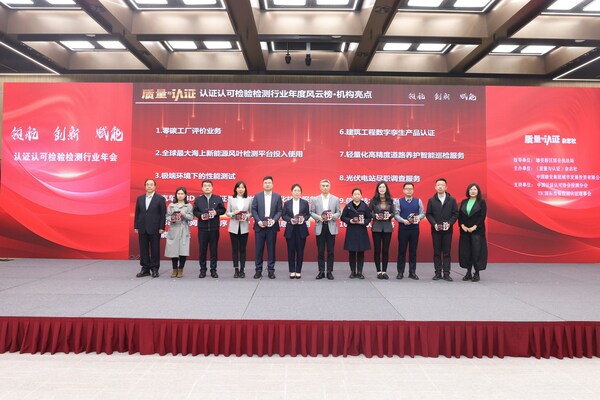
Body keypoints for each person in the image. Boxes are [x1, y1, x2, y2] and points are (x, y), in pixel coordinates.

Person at [426, 178, 458, 281]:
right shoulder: (431, 200)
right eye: (438, 185)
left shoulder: (452, 200)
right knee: (437, 252)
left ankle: (447, 273)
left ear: (446, 187)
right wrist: (434, 224)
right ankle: (438, 273)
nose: (440, 187)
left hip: (447, 230)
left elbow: (455, 213)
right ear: (435, 187)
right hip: (436, 230)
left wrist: (450, 223)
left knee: (447, 253)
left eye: (442, 185)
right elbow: (428, 214)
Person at [193, 180, 226, 279]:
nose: (207, 187)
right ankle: (203, 270)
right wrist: (200, 215)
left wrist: (216, 212)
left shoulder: (218, 198)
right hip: (202, 228)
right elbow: (195, 211)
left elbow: (223, 210)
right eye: (205, 186)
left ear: (212, 187)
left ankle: (213, 270)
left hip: (214, 228)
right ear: (202, 188)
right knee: (202, 250)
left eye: (209, 186)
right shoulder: (198, 200)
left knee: (213, 250)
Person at [251, 176, 282, 279]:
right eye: (265, 183)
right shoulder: (257, 196)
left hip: (272, 227)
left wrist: (274, 220)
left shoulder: (277, 197)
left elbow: (279, 211)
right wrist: (258, 221)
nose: (267, 184)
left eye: (269, 183)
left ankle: (271, 271)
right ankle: (258, 270)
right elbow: (254, 210)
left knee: (271, 250)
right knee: (259, 250)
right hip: (260, 227)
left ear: (272, 184)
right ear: (263, 184)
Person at [134, 178, 166, 278]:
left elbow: (163, 214)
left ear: (155, 186)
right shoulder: (140, 198)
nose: (149, 186)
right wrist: (136, 226)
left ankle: (155, 268)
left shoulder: (160, 198)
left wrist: (162, 227)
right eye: (147, 184)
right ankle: (145, 269)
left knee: (155, 249)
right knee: (143, 249)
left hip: (155, 228)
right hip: (142, 227)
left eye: (151, 184)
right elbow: (137, 213)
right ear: (145, 186)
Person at [310, 179, 341, 280]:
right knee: (320, 251)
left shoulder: (335, 199)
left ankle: (329, 272)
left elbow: (339, 212)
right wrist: (318, 217)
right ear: (320, 187)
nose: (325, 187)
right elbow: (311, 212)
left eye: (327, 185)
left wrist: (332, 216)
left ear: (329, 187)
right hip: (320, 226)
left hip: (331, 226)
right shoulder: (315, 199)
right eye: (323, 186)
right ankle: (321, 271)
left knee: (330, 251)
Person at [394, 182, 425, 280]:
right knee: (401, 251)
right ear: (403, 190)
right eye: (407, 189)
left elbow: (423, 213)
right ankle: (400, 272)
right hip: (403, 229)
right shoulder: (399, 201)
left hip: (414, 229)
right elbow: (396, 214)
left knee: (413, 251)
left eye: (411, 189)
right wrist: (403, 220)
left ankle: (412, 272)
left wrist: (418, 217)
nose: (409, 190)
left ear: (413, 190)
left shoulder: (418, 201)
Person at [458, 183, 488, 282]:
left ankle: (477, 273)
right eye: (471, 189)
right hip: (465, 231)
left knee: (477, 252)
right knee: (466, 252)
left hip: (477, 231)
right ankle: (468, 272)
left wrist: (474, 227)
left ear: (478, 191)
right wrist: (462, 225)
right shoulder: (464, 202)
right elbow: (460, 215)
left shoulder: (481, 202)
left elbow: (482, 216)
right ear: (468, 191)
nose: (473, 191)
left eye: (475, 189)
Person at [341, 188, 372, 279]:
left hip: (361, 231)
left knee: (361, 253)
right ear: (352, 196)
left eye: (358, 194)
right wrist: (349, 220)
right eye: (355, 194)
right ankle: (353, 272)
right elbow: (343, 217)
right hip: (351, 231)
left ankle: (360, 272)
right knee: (352, 253)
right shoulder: (348, 206)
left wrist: (364, 222)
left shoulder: (365, 206)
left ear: (361, 196)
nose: (357, 196)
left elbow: (369, 218)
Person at [282, 184, 310, 279]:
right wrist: (290, 220)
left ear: (301, 192)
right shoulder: (287, 203)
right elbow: (283, 215)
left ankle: (298, 271)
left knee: (300, 251)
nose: (297, 192)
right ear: (291, 192)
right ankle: (292, 270)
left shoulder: (305, 203)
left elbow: (308, 215)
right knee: (291, 251)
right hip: (290, 229)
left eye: (298, 191)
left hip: (301, 229)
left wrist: (304, 219)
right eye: (295, 190)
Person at [165, 187, 193, 278]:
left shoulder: (188, 205)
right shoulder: (171, 205)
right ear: (176, 195)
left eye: (182, 194)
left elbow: (191, 217)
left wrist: (184, 214)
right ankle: (174, 269)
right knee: (173, 250)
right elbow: (167, 216)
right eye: (178, 194)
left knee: (183, 250)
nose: (180, 195)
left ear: (185, 195)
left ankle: (181, 269)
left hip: (184, 229)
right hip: (174, 228)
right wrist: (172, 218)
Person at [226, 181, 252, 278]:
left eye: (242, 187)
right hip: (234, 227)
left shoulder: (249, 199)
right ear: (236, 189)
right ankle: (236, 269)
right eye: (239, 187)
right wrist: (233, 213)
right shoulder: (231, 199)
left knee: (243, 249)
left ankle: (242, 270)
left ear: (245, 189)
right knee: (235, 248)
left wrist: (246, 216)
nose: (241, 189)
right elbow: (227, 213)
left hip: (244, 227)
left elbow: (251, 213)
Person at [370, 181, 395, 280]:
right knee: (377, 250)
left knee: (385, 250)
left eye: (383, 187)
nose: (382, 189)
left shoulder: (390, 201)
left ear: (386, 189)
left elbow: (393, 213)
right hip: (376, 227)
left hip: (387, 227)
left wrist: (390, 215)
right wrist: (375, 215)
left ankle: (384, 271)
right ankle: (378, 271)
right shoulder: (373, 200)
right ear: (377, 189)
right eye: (380, 187)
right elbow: (369, 212)